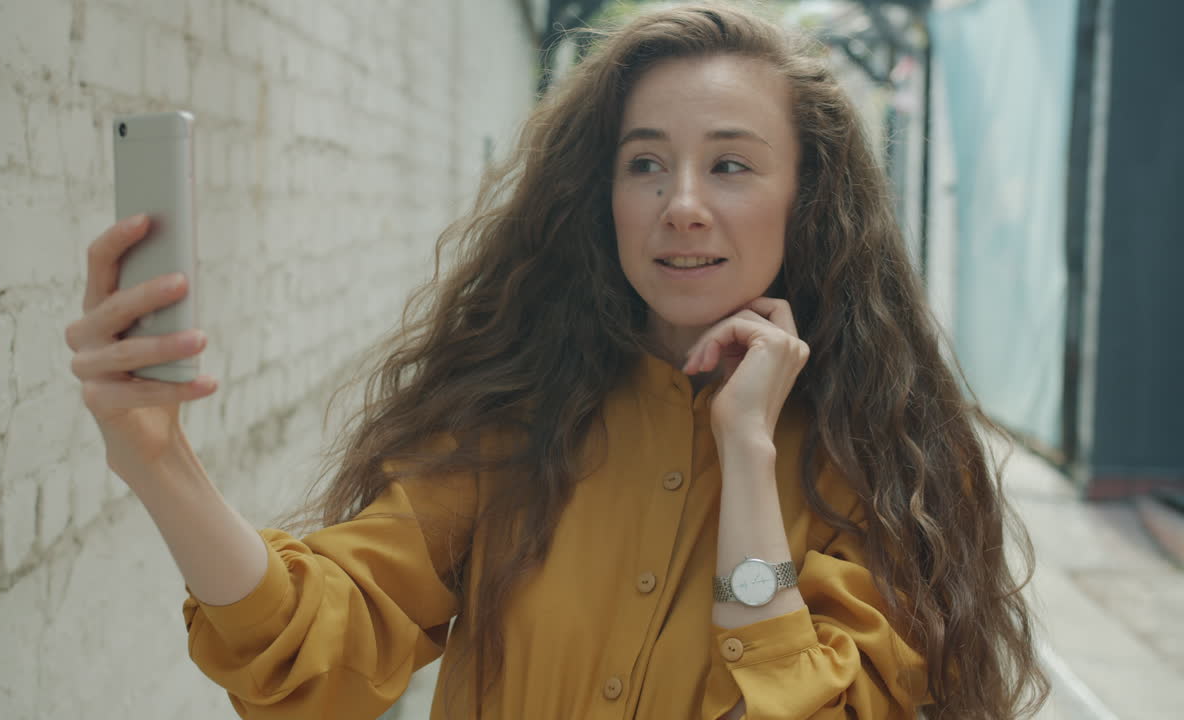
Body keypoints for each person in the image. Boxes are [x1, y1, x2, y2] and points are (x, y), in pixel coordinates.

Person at [65, 3, 1050, 718]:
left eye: (730, 165)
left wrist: (746, 453)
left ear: (809, 197)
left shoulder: (889, 463)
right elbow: (315, 651)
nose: (681, 205)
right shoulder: (518, 416)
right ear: (602, 194)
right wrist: (159, 461)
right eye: (645, 163)